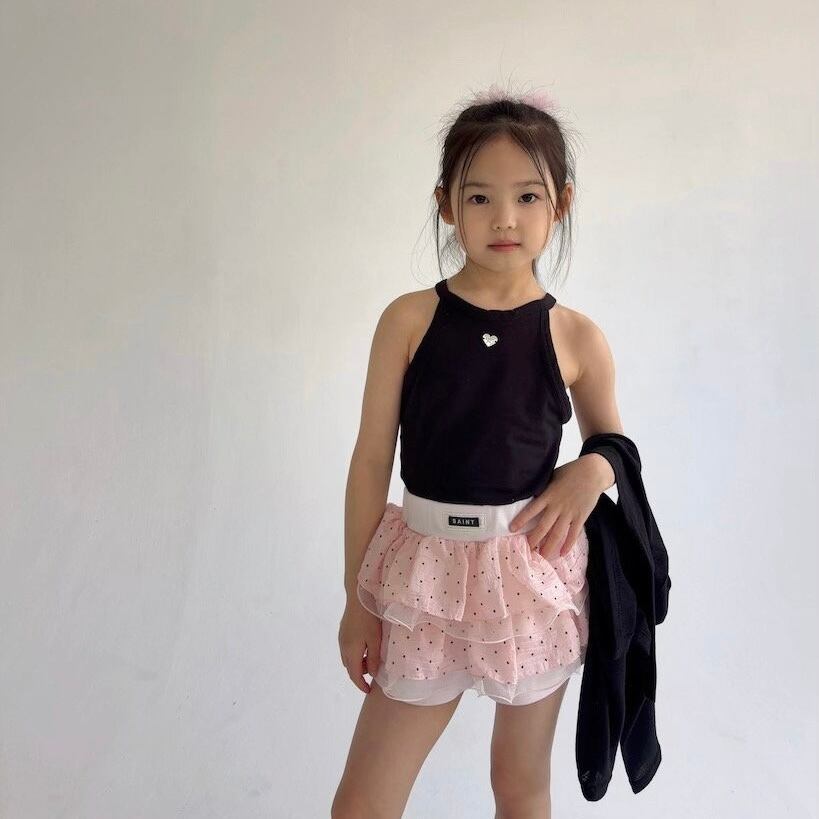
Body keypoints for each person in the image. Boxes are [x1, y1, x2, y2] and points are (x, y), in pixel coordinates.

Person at [332, 85, 623, 819]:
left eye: (527, 196)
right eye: (480, 197)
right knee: (363, 803)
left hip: (529, 580)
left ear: (560, 204)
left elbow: (613, 443)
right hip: (420, 579)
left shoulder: (575, 336)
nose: (504, 218)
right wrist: (357, 600)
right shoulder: (408, 320)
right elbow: (370, 461)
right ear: (445, 205)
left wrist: (593, 469)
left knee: (519, 787)